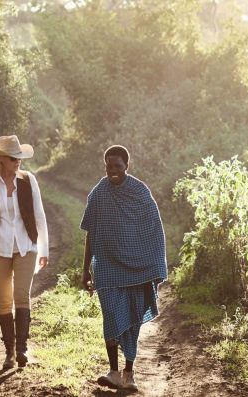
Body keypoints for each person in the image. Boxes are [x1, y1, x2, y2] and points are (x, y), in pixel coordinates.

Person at [80, 145, 168, 391]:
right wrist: (85, 269)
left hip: (138, 268)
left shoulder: (140, 192)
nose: (113, 171)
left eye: (117, 166)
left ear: (126, 166)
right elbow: (90, 232)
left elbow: (155, 231)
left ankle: (128, 373)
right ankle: (113, 371)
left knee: (132, 320)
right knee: (110, 315)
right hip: (107, 266)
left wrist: (157, 268)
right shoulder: (99, 193)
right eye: (109, 166)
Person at [0, 135, 49, 369]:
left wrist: (43, 248)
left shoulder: (28, 181)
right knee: (4, 301)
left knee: (21, 295)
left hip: (26, 246)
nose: (18, 162)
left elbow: (40, 216)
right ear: (1, 160)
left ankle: (22, 349)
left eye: (19, 158)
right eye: (14, 158)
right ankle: (9, 353)